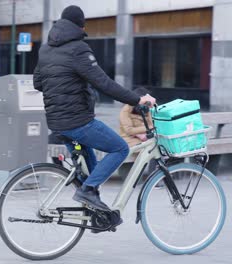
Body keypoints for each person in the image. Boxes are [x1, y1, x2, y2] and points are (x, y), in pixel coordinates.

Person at [33, 5, 156, 212]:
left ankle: (93, 208)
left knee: (90, 168)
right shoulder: (78, 48)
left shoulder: (45, 49)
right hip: (78, 121)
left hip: (56, 121)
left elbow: (38, 83)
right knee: (119, 148)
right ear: (81, 25)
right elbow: (104, 83)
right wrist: (137, 100)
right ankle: (87, 191)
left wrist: (63, 82)